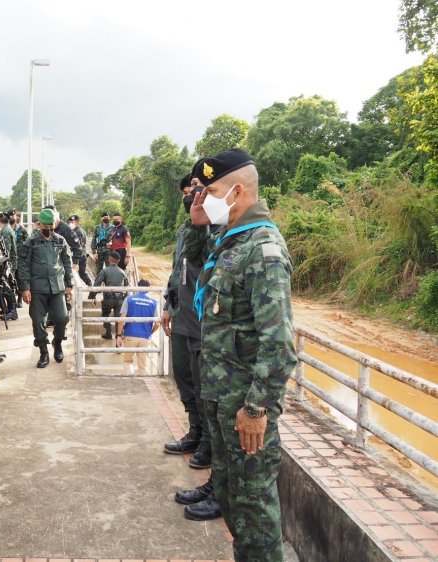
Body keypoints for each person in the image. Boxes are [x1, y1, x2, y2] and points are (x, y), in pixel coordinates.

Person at [186, 148, 297, 562]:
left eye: (210, 190)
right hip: (221, 399)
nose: (203, 198)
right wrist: (200, 225)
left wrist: (256, 408)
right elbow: (200, 268)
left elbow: (279, 343)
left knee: (255, 513)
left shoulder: (263, 249)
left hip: (244, 409)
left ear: (235, 191)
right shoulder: (231, 241)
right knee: (233, 503)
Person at [164, 169, 219, 519]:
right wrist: (167, 308)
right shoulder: (185, 229)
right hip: (181, 315)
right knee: (183, 377)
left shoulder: (213, 229)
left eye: (197, 189)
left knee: (203, 386)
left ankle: (205, 442)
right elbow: (175, 271)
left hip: (202, 322)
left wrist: (203, 224)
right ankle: (194, 430)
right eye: (187, 190)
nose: (191, 195)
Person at [18, 208, 73, 368]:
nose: (48, 229)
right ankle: (43, 352)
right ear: (39, 224)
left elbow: (67, 262)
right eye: (45, 226)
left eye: (51, 226)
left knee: (62, 318)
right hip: (37, 288)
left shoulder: (60, 240)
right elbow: (23, 265)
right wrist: (25, 288)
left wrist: (69, 285)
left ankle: (58, 342)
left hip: (57, 287)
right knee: (38, 321)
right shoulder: (31, 241)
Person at [116, 279, 158, 374]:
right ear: (148, 289)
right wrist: (150, 333)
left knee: (128, 361)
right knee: (143, 366)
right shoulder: (154, 302)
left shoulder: (129, 299)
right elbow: (157, 323)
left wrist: (119, 335)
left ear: (137, 287)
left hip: (130, 335)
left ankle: (130, 382)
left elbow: (122, 318)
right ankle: (143, 384)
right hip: (145, 337)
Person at [88, 251, 126, 339]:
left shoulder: (105, 271)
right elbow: (127, 286)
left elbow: (97, 283)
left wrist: (92, 296)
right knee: (118, 318)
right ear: (118, 261)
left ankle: (108, 333)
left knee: (105, 314)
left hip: (108, 298)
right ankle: (119, 337)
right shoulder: (122, 272)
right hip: (119, 299)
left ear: (109, 259)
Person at [0, 213, 18, 320]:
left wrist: (2, 264)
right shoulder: (8, 228)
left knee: (7, 287)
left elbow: (6, 251)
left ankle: (13, 311)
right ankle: (9, 309)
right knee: (7, 286)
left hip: (8, 264)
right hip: (9, 263)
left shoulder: (5, 231)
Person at [68, 214, 92, 285]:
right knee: (82, 273)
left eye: (73, 222)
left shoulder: (77, 232)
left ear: (77, 222)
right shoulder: (81, 230)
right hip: (82, 254)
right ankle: (89, 284)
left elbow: (78, 245)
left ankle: (88, 284)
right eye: (70, 222)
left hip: (79, 256)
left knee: (78, 273)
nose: (71, 224)